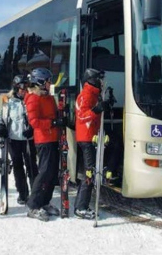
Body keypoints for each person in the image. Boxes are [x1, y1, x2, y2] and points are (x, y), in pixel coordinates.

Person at [24, 67, 66, 222]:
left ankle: (45, 201)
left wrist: (61, 117)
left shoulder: (48, 97)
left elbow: (55, 113)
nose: (50, 84)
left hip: (53, 138)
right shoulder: (33, 98)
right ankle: (33, 205)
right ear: (40, 82)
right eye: (48, 81)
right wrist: (53, 122)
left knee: (52, 173)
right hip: (43, 140)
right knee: (44, 173)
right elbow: (34, 122)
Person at [74, 68, 110, 219]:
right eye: (98, 79)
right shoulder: (86, 95)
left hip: (92, 136)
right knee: (90, 171)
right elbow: (81, 116)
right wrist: (96, 110)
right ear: (92, 80)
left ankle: (81, 204)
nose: (101, 82)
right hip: (86, 137)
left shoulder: (95, 94)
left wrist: (104, 105)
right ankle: (81, 207)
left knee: (91, 170)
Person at [0, 75, 38, 205]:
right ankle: (23, 193)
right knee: (18, 167)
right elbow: (0, 117)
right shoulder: (7, 101)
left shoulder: (31, 99)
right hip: (14, 139)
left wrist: (32, 128)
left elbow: (36, 116)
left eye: (26, 87)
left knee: (32, 167)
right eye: (21, 87)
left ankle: (35, 193)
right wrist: (0, 126)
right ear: (15, 88)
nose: (23, 90)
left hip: (28, 138)